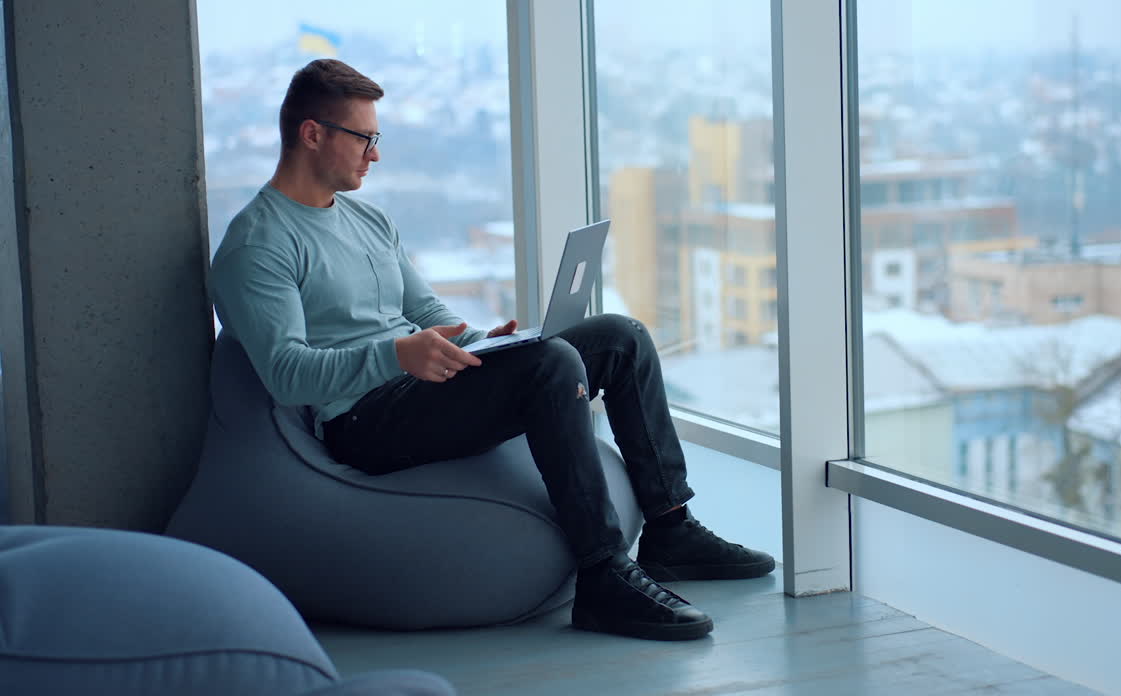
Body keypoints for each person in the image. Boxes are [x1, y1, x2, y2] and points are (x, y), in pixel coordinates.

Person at [210, 59, 774, 642]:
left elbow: (428, 314)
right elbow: (285, 375)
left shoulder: (367, 219)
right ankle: (603, 577)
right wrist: (396, 357)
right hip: (362, 418)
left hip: (419, 383)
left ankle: (670, 529)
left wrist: (492, 343)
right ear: (312, 133)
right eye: (364, 138)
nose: (373, 155)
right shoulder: (259, 243)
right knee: (552, 365)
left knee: (620, 338)